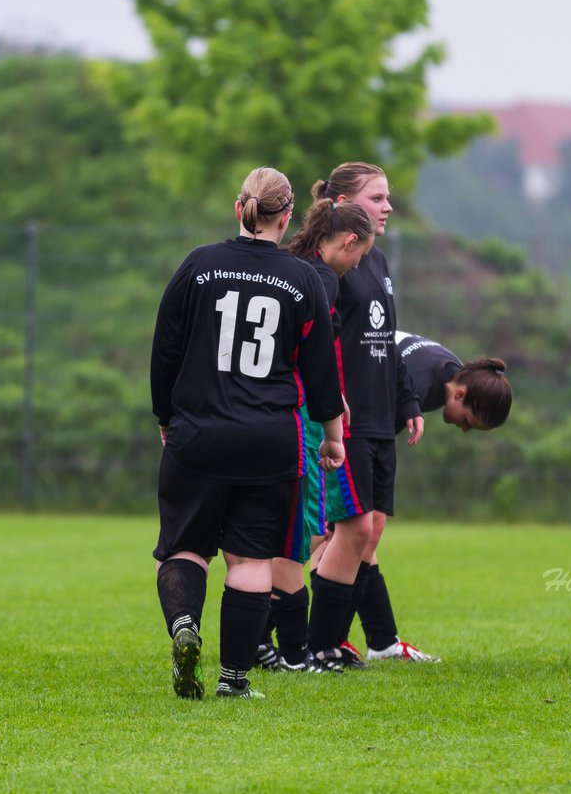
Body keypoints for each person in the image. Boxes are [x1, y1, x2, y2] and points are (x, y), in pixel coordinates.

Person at [150, 166, 346, 699]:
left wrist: (166, 417)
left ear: (240, 209)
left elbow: (164, 349)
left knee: (186, 549)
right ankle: (234, 681)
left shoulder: (198, 265)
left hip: (198, 434)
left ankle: (184, 626)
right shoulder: (304, 279)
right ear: (285, 218)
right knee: (252, 559)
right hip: (269, 441)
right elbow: (323, 375)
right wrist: (332, 438)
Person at [302, 161, 434, 669]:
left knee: (368, 532)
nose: (388, 207)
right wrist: (331, 404)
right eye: (377, 199)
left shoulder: (373, 259)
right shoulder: (325, 265)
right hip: (348, 420)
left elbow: (389, 337)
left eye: (387, 197)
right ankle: (319, 645)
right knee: (350, 532)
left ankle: (360, 641)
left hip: (381, 417)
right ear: (342, 206)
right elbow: (321, 347)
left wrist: (407, 399)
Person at [258, 197, 375, 672]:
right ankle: (285, 645)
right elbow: (315, 350)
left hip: (256, 406)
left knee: (275, 525)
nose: (357, 265)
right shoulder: (321, 278)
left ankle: (268, 641)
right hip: (299, 410)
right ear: (347, 241)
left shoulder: (286, 262)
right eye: (359, 255)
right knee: (303, 525)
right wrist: (330, 404)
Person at [394, 331, 512, 434]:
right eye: (467, 421)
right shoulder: (415, 387)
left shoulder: (455, 370)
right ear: (459, 395)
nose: (464, 429)